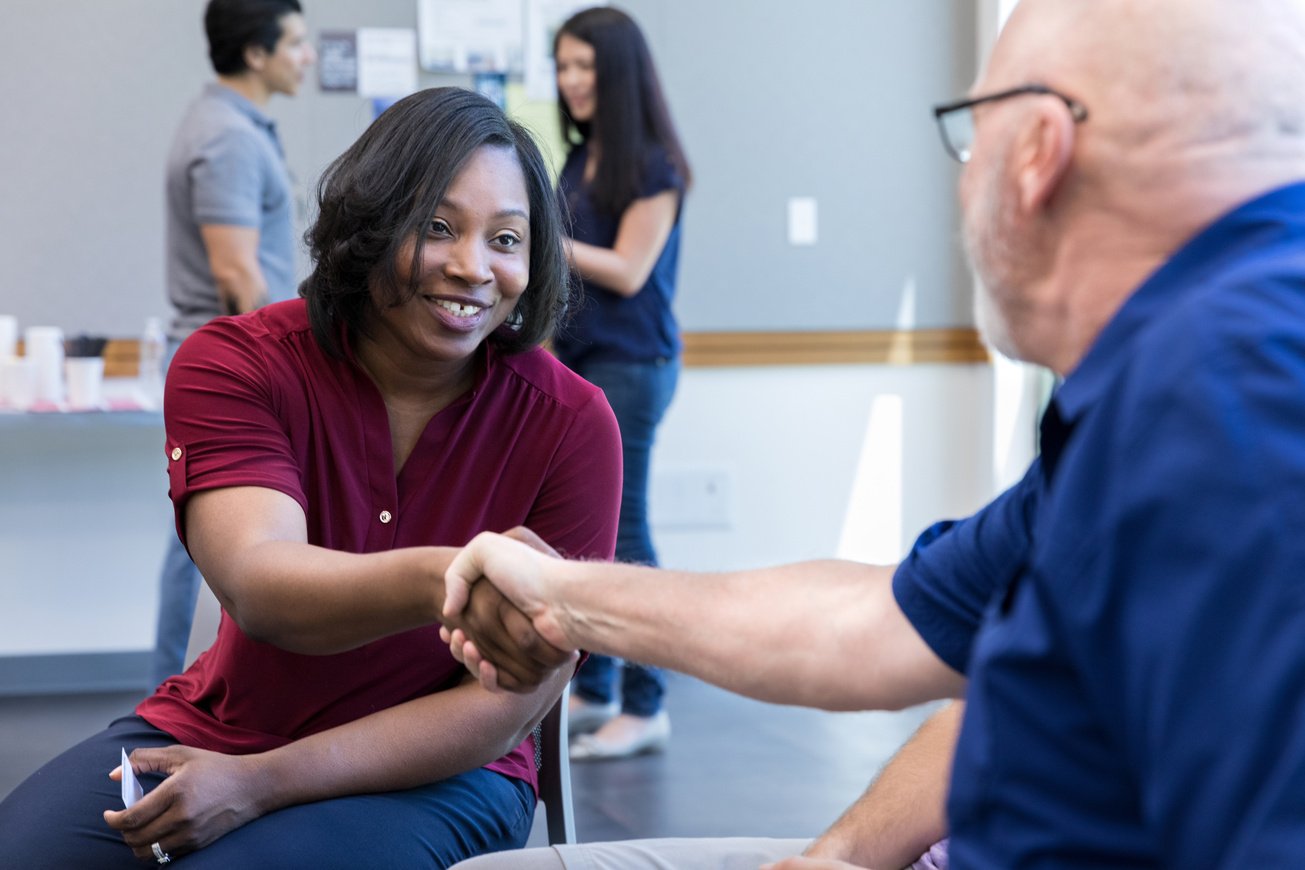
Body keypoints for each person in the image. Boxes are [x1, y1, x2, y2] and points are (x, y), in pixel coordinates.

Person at [439, 0, 1305, 865]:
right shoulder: (1159, 379)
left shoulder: (1220, 402)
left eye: (971, 137)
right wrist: (559, 592)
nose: (963, 184)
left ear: (1037, 152)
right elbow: (870, 625)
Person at [0, 87, 621, 868]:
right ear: (371, 222)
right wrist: (468, 575)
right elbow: (263, 588)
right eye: (436, 227)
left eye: (505, 239)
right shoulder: (236, 363)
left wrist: (263, 783)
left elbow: (511, 700)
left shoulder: (571, 422)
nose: (472, 268)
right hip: (217, 726)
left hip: (439, 772)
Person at [151, 0, 316, 689]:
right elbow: (234, 272)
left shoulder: (237, 127)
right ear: (256, 53)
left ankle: (189, 687)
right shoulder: (228, 138)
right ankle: (173, 694)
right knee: (206, 544)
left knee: (206, 539)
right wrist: (280, 373)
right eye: (297, 42)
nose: (307, 55)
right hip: (232, 367)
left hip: (234, 357)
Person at [548, 5, 692, 760]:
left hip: (632, 366)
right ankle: (596, 690)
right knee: (585, 532)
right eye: (562, 66)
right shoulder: (581, 161)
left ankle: (647, 703)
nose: (570, 81)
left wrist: (540, 242)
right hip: (582, 362)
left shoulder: (654, 168)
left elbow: (629, 271)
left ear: (619, 73)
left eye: (583, 67)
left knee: (624, 533)